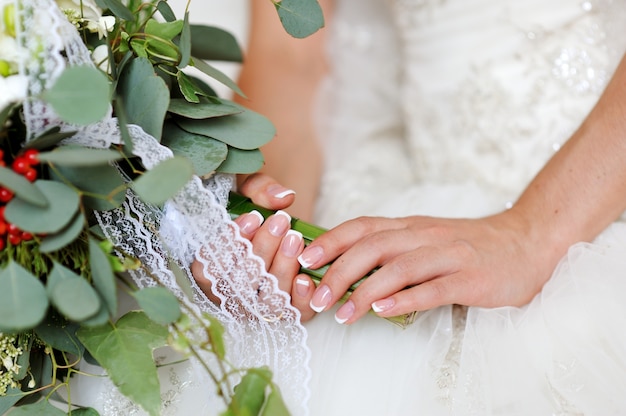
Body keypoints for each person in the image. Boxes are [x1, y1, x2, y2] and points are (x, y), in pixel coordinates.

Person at [215, 0, 626, 414]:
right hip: (424, 194)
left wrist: (533, 232)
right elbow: (291, 54)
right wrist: (277, 235)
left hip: (597, 199)